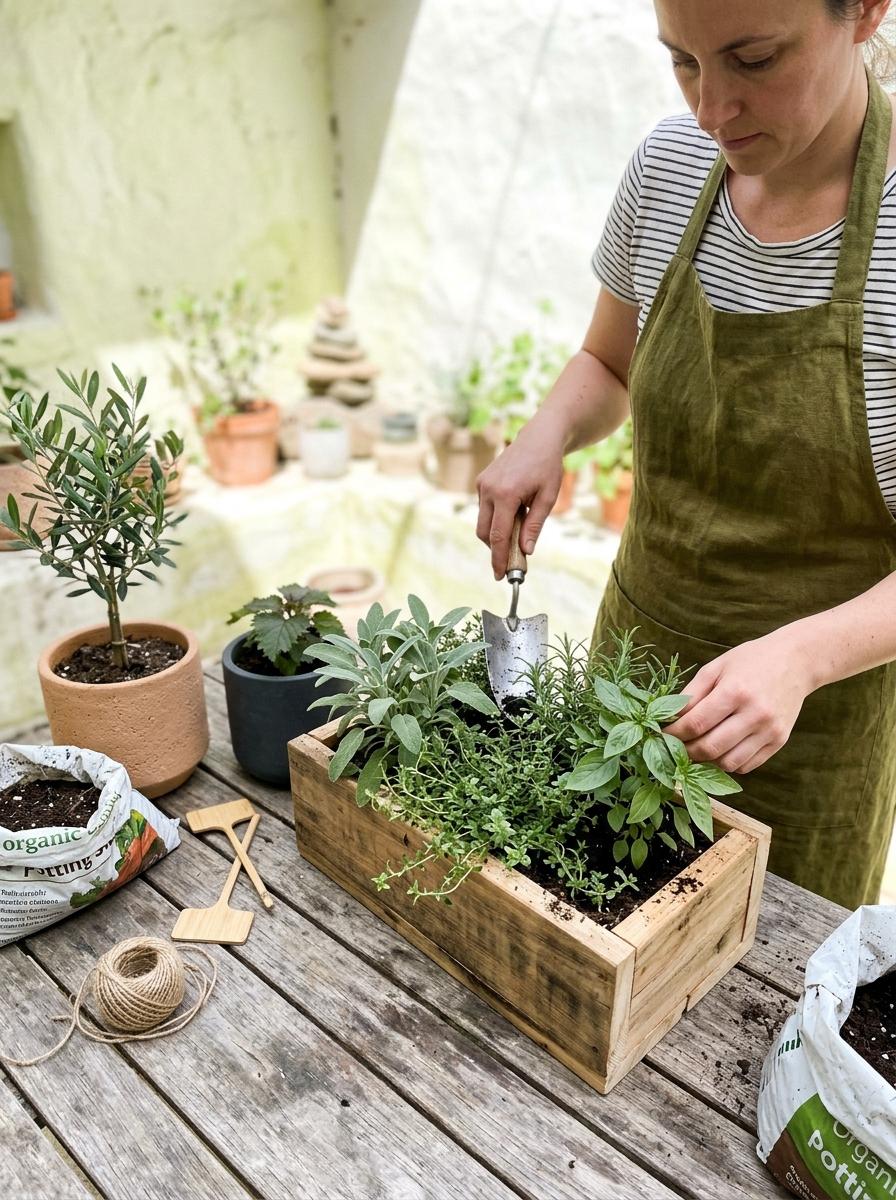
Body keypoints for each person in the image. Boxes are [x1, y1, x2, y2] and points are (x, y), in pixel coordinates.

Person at [475, 0, 896, 909]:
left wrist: (802, 657)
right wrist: (545, 435)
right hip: (634, 673)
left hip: (809, 736)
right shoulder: (669, 168)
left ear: (865, 12)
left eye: (753, 59)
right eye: (684, 62)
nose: (713, 110)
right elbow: (607, 361)